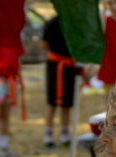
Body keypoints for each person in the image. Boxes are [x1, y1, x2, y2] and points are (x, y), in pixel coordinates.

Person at [41, 15, 74, 149]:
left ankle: (65, 135)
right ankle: (48, 135)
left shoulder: (75, 22)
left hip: (69, 66)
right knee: (51, 102)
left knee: (66, 103)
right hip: (55, 65)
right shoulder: (52, 23)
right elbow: (44, 43)